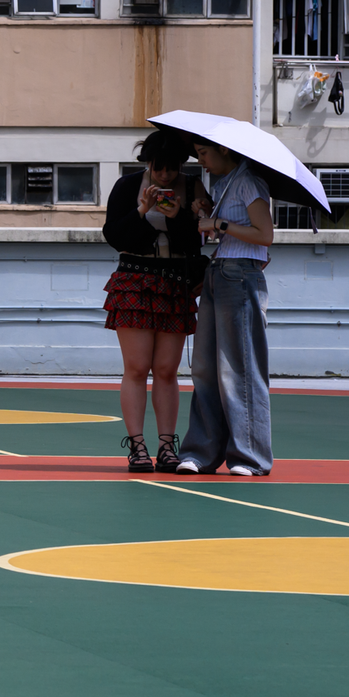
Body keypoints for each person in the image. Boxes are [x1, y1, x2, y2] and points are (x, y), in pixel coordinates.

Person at [101, 127, 206, 473]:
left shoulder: (192, 187)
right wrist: (142, 212)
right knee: (136, 367)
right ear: (147, 162)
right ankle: (137, 447)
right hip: (135, 278)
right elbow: (115, 236)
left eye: (172, 168)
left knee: (166, 370)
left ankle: (166, 446)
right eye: (159, 168)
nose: (165, 175)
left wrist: (180, 220)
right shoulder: (127, 186)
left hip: (175, 280)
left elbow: (196, 244)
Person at [177, 137, 276, 477]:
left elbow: (265, 234)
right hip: (220, 272)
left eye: (204, 153)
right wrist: (208, 214)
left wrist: (218, 224)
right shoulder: (224, 184)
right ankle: (201, 452)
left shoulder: (249, 182)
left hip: (240, 275)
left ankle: (248, 456)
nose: (201, 160)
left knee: (240, 368)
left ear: (225, 150)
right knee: (204, 367)